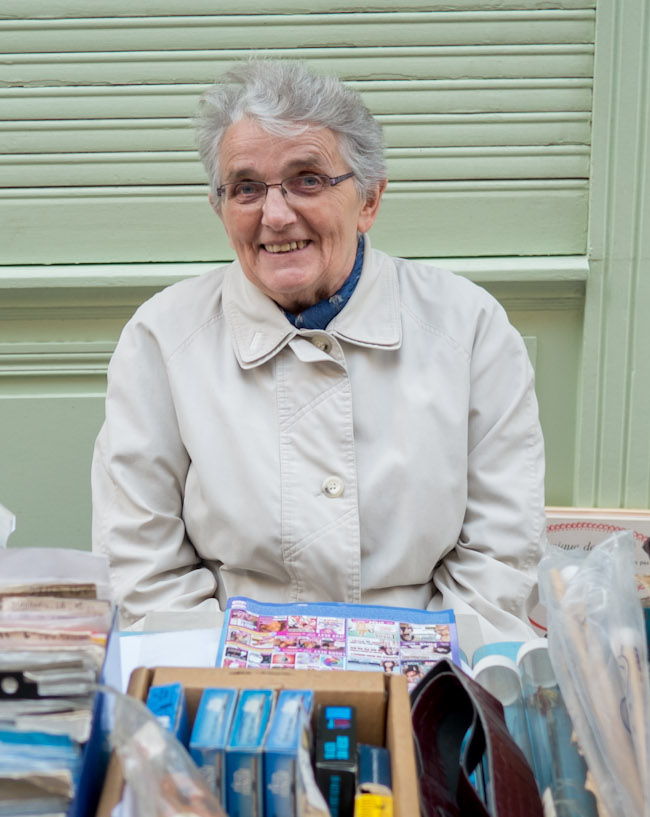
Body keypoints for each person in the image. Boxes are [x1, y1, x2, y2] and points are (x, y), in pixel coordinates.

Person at [90, 58, 545, 644]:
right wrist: (230, 686)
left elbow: (499, 556)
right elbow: (143, 564)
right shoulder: (161, 339)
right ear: (219, 207)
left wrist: (425, 678)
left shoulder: (469, 327)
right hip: (229, 677)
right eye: (247, 188)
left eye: (308, 179)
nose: (275, 217)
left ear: (370, 201)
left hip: (429, 673)